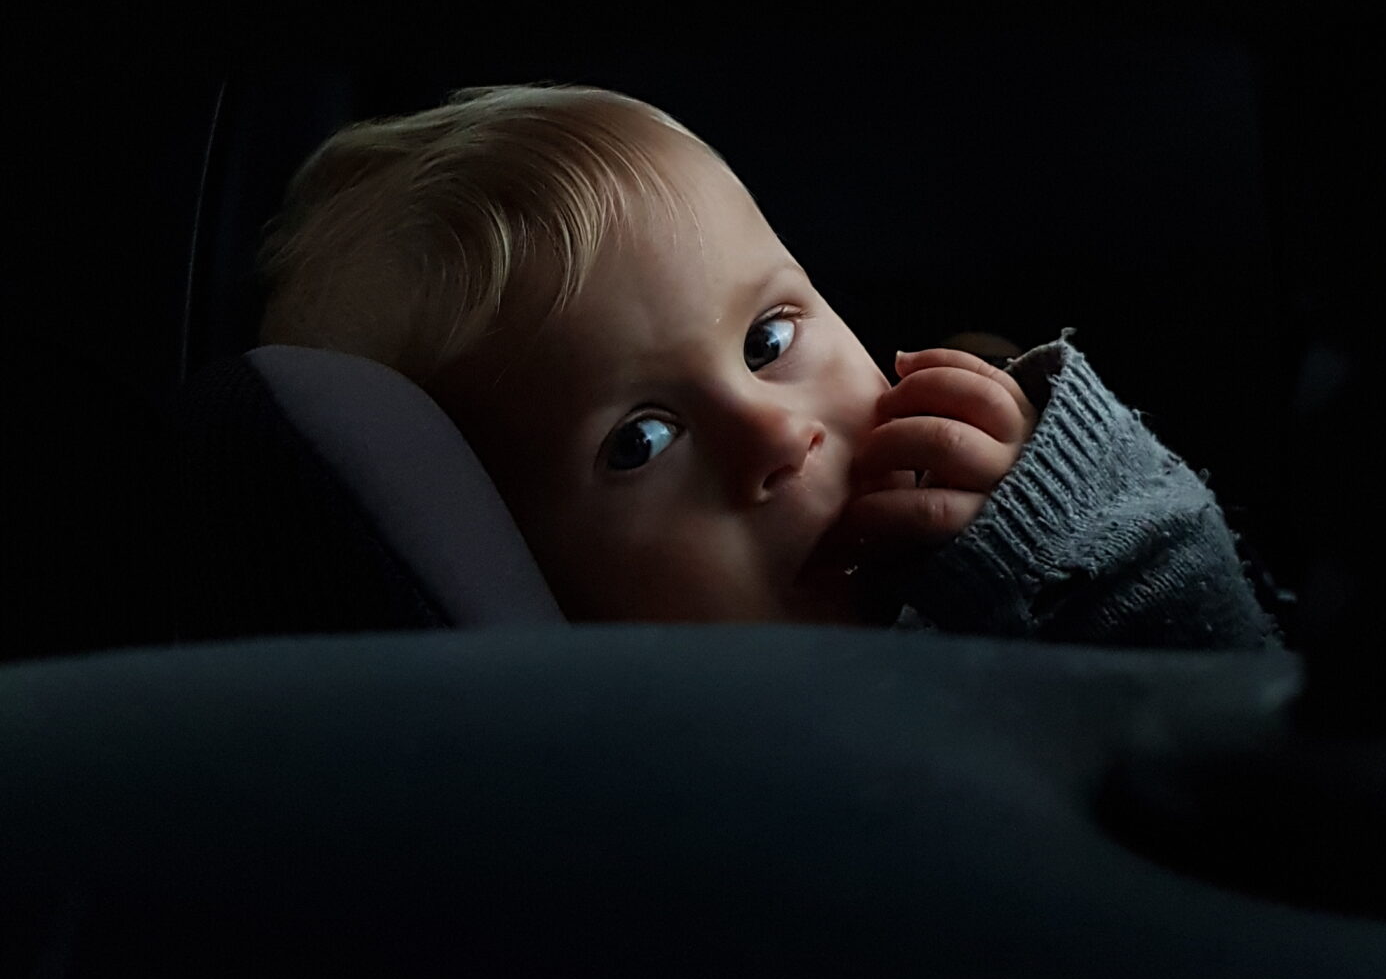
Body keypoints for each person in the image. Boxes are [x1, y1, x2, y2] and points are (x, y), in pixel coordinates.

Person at [255, 81, 1285, 647]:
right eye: (641, 441)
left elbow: (1246, 717)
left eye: (769, 340)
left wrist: (1087, 535)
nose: (775, 438)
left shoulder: (1005, 590)